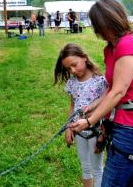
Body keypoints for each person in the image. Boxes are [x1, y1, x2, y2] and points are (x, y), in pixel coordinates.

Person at [69, 0, 133, 187]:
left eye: (98, 25)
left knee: (112, 182)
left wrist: (90, 121)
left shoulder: (128, 44)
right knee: (130, 182)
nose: (97, 31)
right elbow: (110, 87)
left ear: (109, 21)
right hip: (119, 122)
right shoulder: (110, 49)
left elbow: (119, 91)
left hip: (131, 126)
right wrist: (94, 106)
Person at [54, 43, 108, 187]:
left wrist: (103, 132)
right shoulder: (72, 83)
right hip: (78, 131)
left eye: (74, 64)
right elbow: (72, 106)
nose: (72, 70)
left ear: (84, 57)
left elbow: (106, 104)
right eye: (68, 68)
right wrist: (67, 127)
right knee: (85, 166)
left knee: (97, 169)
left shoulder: (100, 81)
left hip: (95, 130)